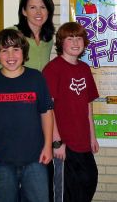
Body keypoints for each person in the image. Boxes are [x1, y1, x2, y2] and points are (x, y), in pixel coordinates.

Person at [0, 29, 54, 202]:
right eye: (4, 50)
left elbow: (46, 113)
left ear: (24, 52)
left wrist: (48, 145)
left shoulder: (36, 78)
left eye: (16, 49)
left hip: (35, 158)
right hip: (1, 159)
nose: (11, 55)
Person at [42, 22, 99, 202]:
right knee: (66, 193)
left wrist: (92, 136)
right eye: (70, 38)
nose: (75, 42)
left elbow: (87, 106)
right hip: (64, 144)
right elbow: (47, 109)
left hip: (83, 141)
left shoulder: (84, 68)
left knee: (89, 181)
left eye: (79, 37)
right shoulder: (52, 69)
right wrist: (57, 142)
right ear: (61, 42)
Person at [0, 0, 55, 72]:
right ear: (24, 11)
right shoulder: (11, 35)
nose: (38, 12)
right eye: (32, 7)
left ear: (48, 11)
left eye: (43, 7)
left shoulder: (48, 39)